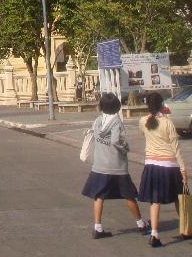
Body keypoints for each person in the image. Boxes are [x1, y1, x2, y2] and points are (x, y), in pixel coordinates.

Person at [81, 92, 148, 239]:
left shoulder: (98, 121)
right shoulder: (117, 122)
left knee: (99, 196)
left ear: (102, 107)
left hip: (99, 165)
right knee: (129, 196)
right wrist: (125, 148)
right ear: (117, 107)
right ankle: (141, 224)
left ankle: (97, 227)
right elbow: (115, 141)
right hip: (117, 166)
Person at [138, 91, 188, 247]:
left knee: (155, 200)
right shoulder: (167, 123)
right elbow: (176, 148)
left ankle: (154, 233)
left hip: (151, 165)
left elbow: (144, 134)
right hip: (169, 166)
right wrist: (183, 170)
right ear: (161, 105)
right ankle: (185, 229)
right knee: (179, 197)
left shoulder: (143, 121)